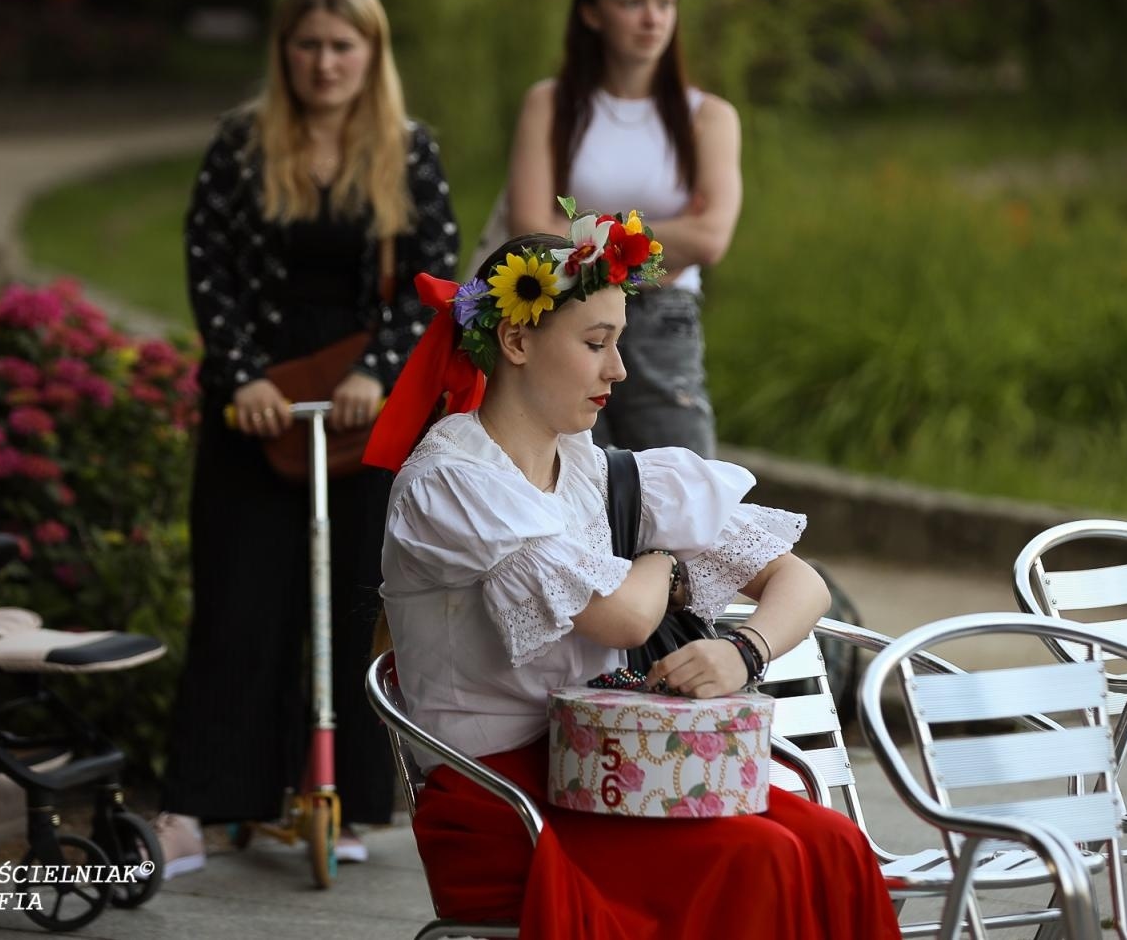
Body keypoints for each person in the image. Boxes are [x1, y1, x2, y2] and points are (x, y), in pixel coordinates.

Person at [365, 223, 901, 938]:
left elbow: (801, 582)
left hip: (610, 763)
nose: (618, 369)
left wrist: (743, 652)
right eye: (595, 344)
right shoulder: (451, 481)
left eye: (619, 340)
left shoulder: (597, 471)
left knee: (834, 843)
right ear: (517, 342)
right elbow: (622, 618)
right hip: (503, 797)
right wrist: (666, 564)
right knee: (762, 853)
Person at [157, 0, 460, 875]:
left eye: (343, 45)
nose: (325, 62)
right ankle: (204, 805)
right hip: (258, 404)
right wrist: (241, 374)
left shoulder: (409, 151)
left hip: (367, 407)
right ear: (283, 51)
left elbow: (438, 277)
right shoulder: (241, 145)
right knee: (239, 603)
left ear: (372, 53)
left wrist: (379, 368)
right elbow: (206, 262)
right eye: (309, 44)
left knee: (357, 602)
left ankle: (345, 795)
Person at [504, 0, 741, 457]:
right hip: (565, 317)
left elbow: (710, 238)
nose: (652, 18)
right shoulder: (551, 105)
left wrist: (583, 234)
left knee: (685, 492)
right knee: (578, 492)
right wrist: (658, 241)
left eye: (664, 2)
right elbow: (526, 227)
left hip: (664, 321)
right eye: (632, 2)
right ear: (592, 13)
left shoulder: (709, 117)